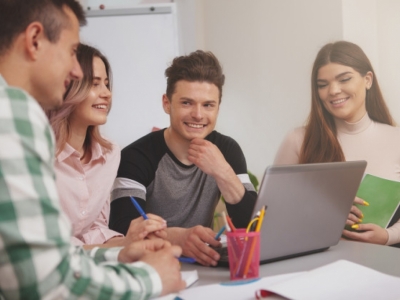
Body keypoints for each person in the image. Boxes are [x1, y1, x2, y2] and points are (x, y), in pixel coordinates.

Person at [0, 0, 184, 299]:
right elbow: (46, 282)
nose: (75, 71)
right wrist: (149, 279)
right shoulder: (12, 109)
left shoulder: (109, 154)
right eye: (72, 51)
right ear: (34, 41)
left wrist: (118, 254)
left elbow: (45, 259)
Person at [110, 50, 258, 266]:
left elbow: (253, 226)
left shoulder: (227, 150)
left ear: (218, 108)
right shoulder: (136, 156)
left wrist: (223, 172)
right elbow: (122, 229)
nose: (198, 115)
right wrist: (177, 237)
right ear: (167, 103)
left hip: (202, 267)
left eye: (208, 105)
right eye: (187, 103)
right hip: (149, 266)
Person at [274, 41, 400, 246]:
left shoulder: (397, 140)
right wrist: (321, 210)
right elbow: (271, 212)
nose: (333, 90)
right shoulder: (298, 140)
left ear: (367, 80)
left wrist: (388, 236)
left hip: (385, 264)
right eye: (322, 85)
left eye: (344, 79)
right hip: (319, 265)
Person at [47, 43, 167, 249]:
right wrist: (121, 247)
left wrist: (134, 240)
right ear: (67, 87)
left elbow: (94, 229)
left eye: (106, 84)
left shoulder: (109, 154)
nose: (107, 94)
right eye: (94, 84)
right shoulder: (40, 155)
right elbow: (50, 246)